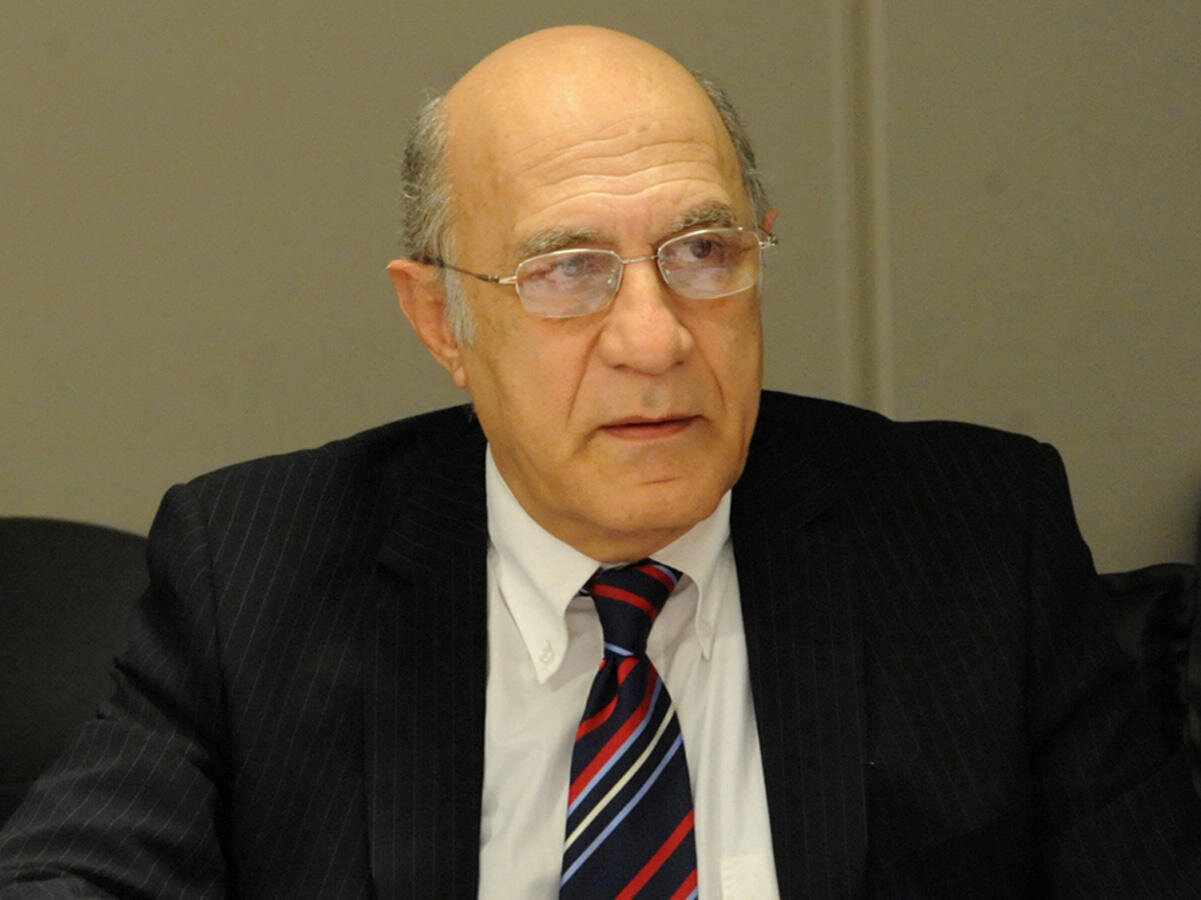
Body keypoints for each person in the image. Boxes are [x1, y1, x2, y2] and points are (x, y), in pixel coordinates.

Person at [1, 25, 1198, 898]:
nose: (654, 338)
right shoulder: (255, 569)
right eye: (566, 271)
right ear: (439, 321)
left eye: (703, 251)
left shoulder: (978, 540)